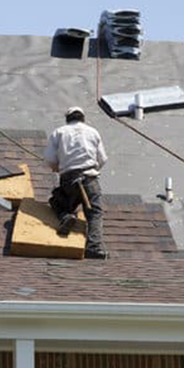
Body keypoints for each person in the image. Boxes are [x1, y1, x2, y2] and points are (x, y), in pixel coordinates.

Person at [44, 106, 109, 259]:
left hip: (69, 179)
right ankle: (94, 247)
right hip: (89, 177)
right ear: (83, 118)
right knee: (95, 213)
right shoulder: (93, 132)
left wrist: (57, 167)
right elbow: (103, 159)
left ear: (67, 119)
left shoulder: (59, 132)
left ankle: (65, 216)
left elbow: (50, 158)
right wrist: (93, 169)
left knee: (57, 201)